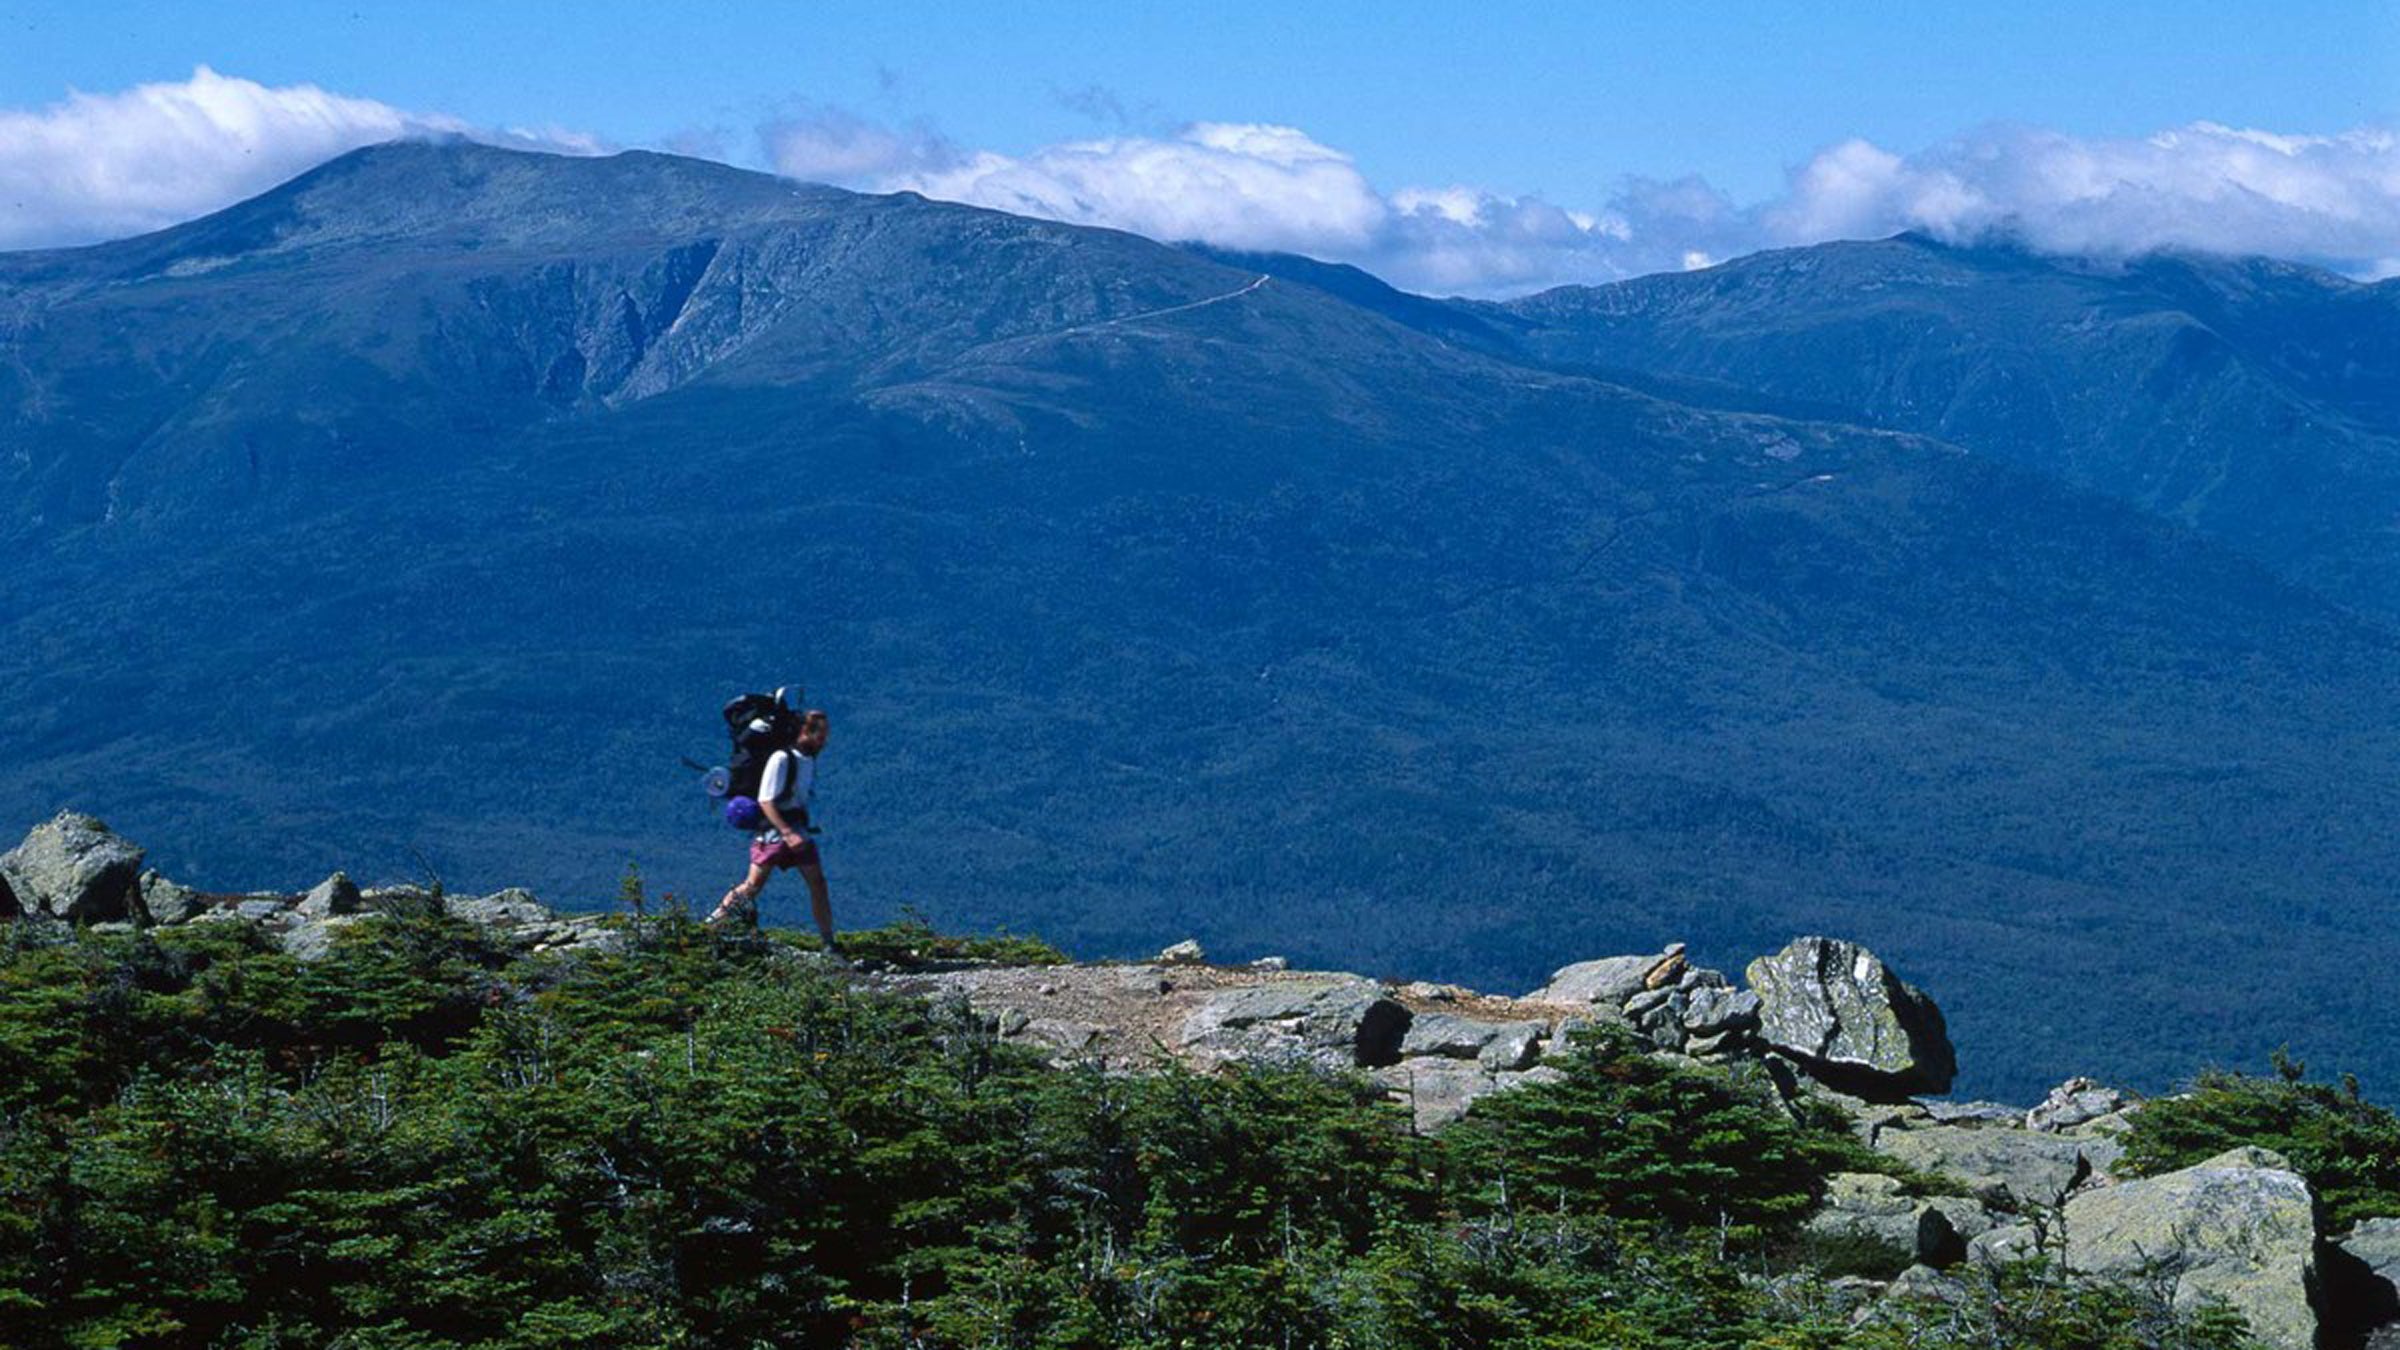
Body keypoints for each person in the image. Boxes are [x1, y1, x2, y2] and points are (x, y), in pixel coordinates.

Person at [709, 708, 843, 958]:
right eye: (821, 733)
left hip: (796, 829)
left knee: (817, 882)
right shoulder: (782, 759)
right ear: (805, 731)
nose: (824, 740)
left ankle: (828, 942)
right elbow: (766, 800)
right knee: (752, 885)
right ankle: (711, 924)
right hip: (775, 833)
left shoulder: (807, 759)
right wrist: (787, 832)